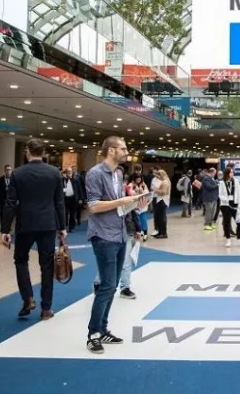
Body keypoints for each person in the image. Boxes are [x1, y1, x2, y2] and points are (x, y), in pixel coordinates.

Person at [85, 136, 143, 354]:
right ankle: (93, 334)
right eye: (123, 148)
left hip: (120, 234)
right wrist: (122, 201)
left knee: (113, 284)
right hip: (103, 235)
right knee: (107, 285)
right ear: (111, 150)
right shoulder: (95, 174)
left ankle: (103, 329)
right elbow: (93, 206)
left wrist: (134, 203)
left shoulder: (118, 174)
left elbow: (119, 207)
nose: (126, 152)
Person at [0, 139, 66, 320]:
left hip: (25, 224)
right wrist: (62, 227)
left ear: (27, 152)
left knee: (21, 260)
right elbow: (59, 202)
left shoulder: (18, 173)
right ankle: (46, 308)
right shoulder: (54, 172)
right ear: (43, 153)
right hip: (48, 224)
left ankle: (28, 298)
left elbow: (10, 203)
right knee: (47, 265)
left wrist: (5, 229)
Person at [219, 166, 240, 247]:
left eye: (232, 172)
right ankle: (228, 240)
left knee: (239, 223)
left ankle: (239, 240)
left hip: (235, 205)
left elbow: (239, 193)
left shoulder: (236, 181)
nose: (232, 173)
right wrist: (226, 199)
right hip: (225, 205)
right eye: (231, 172)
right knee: (227, 223)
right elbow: (220, 194)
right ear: (227, 173)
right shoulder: (222, 183)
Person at [63, 167, 85, 232]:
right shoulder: (63, 180)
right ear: (66, 173)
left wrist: (81, 199)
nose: (69, 173)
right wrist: (64, 179)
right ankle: (64, 226)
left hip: (74, 200)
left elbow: (79, 189)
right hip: (65, 200)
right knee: (65, 214)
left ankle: (71, 227)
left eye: (70, 172)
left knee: (73, 214)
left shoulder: (76, 180)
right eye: (68, 172)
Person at [152, 169, 171, 239]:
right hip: (162, 200)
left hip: (162, 201)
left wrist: (155, 189)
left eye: (158, 176)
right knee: (160, 217)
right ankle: (160, 232)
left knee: (161, 218)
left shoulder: (165, 182)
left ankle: (163, 233)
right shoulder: (166, 181)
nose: (158, 178)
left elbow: (163, 192)